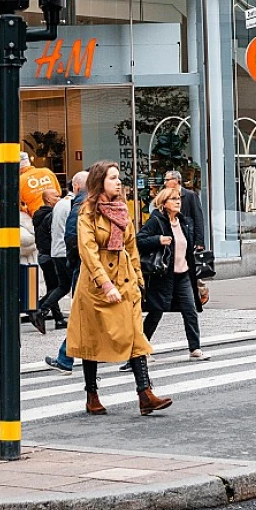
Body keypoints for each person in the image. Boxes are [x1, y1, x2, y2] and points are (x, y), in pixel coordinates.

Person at [67, 160, 172, 416]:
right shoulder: (87, 212)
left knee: (135, 335)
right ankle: (92, 394)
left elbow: (131, 246)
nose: (118, 182)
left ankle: (145, 393)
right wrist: (104, 283)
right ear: (100, 181)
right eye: (112, 178)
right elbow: (88, 252)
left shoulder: (122, 209)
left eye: (118, 178)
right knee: (91, 338)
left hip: (124, 280)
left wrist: (138, 279)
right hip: (95, 284)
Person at [136, 187, 207, 364]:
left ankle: (195, 348)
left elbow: (186, 251)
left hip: (183, 275)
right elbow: (138, 240)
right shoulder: (156, 221)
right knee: (156, 312)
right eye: (173, 199)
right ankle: (140, 351)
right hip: (163, 275)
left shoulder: (183, 222)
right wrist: (158, 240)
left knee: (190, 311)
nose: (178, 202)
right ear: (163, 203)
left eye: (178, 199)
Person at [44, 171, 88, 374]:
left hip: (76, 261)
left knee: (82, 315)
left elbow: (71, 237)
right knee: (85, 316)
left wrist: (74, 263)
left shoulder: (75, 205)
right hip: (82, 262)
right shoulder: (81, 204)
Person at [32, 187, 65, 332]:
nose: (59, 198)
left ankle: (58, 318)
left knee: (53, 287)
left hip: (43, 255)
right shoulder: (51, 215)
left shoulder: (38, 215)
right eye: (56, 196)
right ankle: (39, 308)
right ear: (48, 199)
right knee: (59, 286)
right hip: (51, 255)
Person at [163, 170, 205, 251]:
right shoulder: (164, 196)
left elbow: (198, 218)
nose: (165, 183)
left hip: (187, 237)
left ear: (176, 180)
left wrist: (199, 242)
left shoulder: (190, 195)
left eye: (167, 180)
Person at [19, 152, 61, 216]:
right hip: (57, 212)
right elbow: (59, 192)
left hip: (38, 216)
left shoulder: (20, 180)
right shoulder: (47, 171)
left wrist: (26, 209)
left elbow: (17, 205)